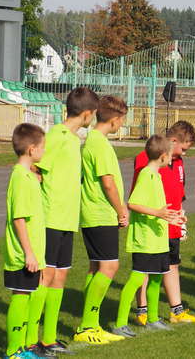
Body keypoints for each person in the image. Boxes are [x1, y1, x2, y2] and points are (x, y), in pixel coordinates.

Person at [36, 87, 100, 353]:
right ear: (87, 114)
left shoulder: (74, 140)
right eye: (93, 114)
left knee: (60, 275)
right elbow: (36, 169)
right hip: (51, 217)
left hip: (67, 220)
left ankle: (49, 338)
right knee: (46, 276)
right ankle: (30, 339)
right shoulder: (56, 136)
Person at [112, 135, 185, 338]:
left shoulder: (156, 175)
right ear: (163, 156)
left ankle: (153, 319)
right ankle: (120, 323)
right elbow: (133, 203)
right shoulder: (145, 175)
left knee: (156, 279)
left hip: (158, 240)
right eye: (170, 154)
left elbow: (158, 208)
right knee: (136, 279)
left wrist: (174, 217)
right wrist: (158, 213)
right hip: (145, 241)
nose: (171, 158)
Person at [132, 121, 195, 325]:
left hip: (171, 225)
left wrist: (180, 217)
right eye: (183, 148)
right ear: (173, 141)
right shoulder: (146, 159)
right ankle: (142, 310)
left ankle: (176, 310)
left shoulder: (179, 162)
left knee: (172, 264)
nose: (184, 153)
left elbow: (179, 192)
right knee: (145, 269)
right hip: (152, 225)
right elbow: (137, 195)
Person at [76, 96, 128, 342]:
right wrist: (121, 210)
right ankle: (87, 325)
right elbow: (108, 183)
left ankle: (91, 322)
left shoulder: (92, 140)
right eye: (122, 120)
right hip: (101, 212)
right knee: (109, 266)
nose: (122, 124)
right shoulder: (100, 144)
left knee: (96, 266)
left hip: (93, 212)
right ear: (115, 119)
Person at [4, 124, 47, 358]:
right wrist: (29, 253)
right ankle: (13, 351)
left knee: (27, 294)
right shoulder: (20, 178)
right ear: (32, 149)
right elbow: (19, 219)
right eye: (42, 147)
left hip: (33, 250)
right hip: (23, 252)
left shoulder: (28, 175)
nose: (44, 151)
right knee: (20, 295)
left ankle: (20, 348)